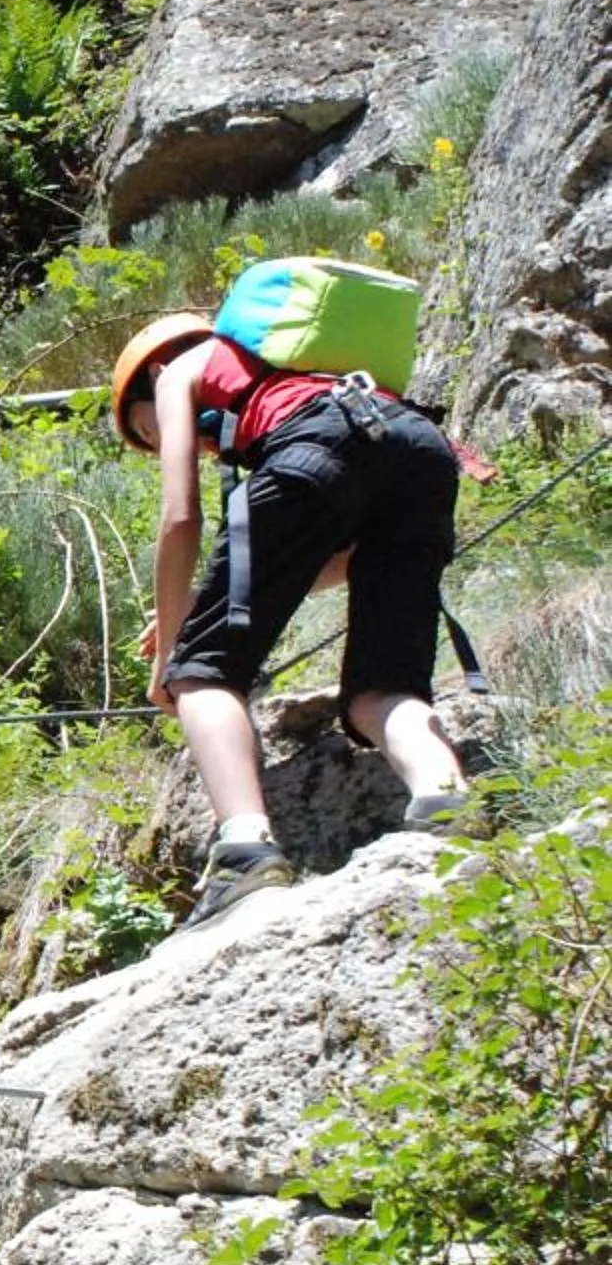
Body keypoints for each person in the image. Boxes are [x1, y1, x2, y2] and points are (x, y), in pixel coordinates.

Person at [111, 312, 470, 928]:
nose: (188, 442)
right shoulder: (309, 374)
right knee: (380, 690)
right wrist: (206, 606)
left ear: (153, 372)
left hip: (316, 455)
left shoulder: (179, 372)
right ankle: (448, 800)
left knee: (202, 677)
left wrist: (175, 654)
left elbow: (180, 520)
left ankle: (246, 854)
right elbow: (330, 561)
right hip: (422, 453)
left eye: (150, 430)